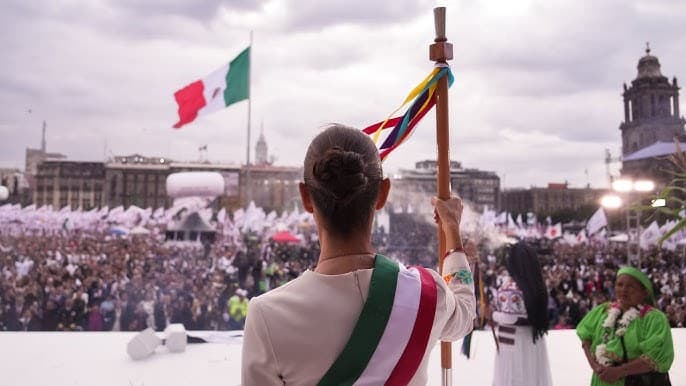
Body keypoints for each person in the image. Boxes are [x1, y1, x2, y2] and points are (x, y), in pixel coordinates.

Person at [241, 124, 476, 385]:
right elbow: (465, 312)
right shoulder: (427, 295)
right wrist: (452, 230)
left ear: (306, 198)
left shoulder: (267, 316)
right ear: (382, 194)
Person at [577, 266, 674, 386]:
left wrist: (619, 372)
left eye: (630, 286)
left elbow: (657, 355)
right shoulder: (603, 311)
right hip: (603, 379)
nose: (624, 290)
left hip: (636, 381)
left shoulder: (654, 318)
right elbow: (586, 338)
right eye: (619, 285)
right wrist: (595, 366)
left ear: (645, 292)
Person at [485, 242, 553, 386]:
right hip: (533, 341)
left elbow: (510, 318)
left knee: (514, 378)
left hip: (513, 343)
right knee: (531, 377)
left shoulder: (510, 287)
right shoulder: (536, 284)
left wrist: (493, 314)